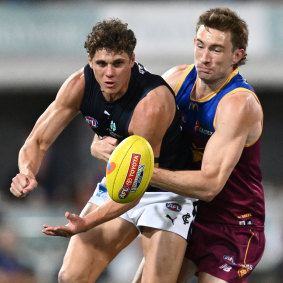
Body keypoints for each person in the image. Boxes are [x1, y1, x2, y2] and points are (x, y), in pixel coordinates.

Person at [10, 19, 196, 283]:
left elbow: (138, 186)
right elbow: (37, 140)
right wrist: (26, 171)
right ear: (90, 61)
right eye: (101, 64)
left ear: (132, 60)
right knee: (71, 276)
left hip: (165, 190)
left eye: (118, 63)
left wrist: (87, 222)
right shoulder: (80, 84)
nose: (109, 73)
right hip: (122, 178)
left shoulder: (150, 103)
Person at [147, 7, 265, 283]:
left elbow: (210, 186)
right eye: (200, 46)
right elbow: (136, 120)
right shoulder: (175, 80)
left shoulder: (238, 103)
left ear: (237, 55)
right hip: (184, 211)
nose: (204, 57)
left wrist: (145, 172)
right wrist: (105, 139)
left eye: (216, 49)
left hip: (233, 224)